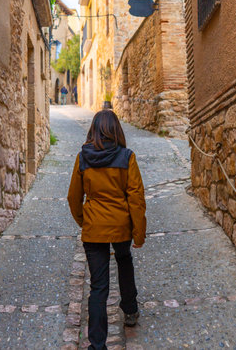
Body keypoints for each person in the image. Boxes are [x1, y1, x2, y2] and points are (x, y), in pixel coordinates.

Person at [68, 110, 146, 350]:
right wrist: (138, 233)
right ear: (117, 130)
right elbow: (136, 198)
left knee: (98, 286)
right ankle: (130, 310)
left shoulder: (83, 159)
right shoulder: (127, 157)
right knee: (124, 261)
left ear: (94, 130)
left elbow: (73, 198)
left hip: (94, 228)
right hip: (121, 226)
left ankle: (97, 344)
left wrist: (86, 222)